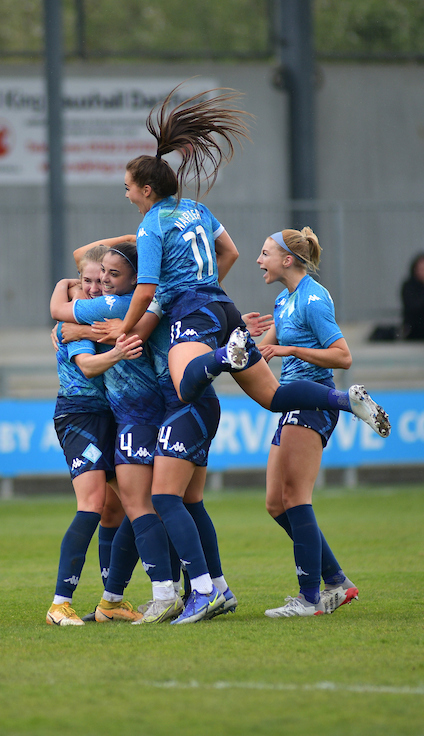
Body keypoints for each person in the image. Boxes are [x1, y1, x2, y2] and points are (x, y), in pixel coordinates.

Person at [101, 85, 390, 625]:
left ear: (145, 188)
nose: (126, 195)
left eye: (127, 188)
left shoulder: (152, 223)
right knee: (273, 395)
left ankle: (225, 356)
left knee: (187, 382)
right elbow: (228, 251)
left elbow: (145, 291)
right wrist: (208, 288)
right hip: (222, 304)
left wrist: (132, 327)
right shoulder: (196, 209)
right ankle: (342, 402)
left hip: (195, 312)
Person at [53, 240, 228, 625]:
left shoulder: (122, 304)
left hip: (139, 416)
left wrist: (74, 321)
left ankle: (164, 593)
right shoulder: (152, 301)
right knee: (168, 504)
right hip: (158, 411)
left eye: (110, 277)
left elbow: (64, 300)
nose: (99, 285)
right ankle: (202, 587)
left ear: (136, 276)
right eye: (93, 281)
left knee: (140, 506)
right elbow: (86, 262)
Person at [244, 229, 361, 617]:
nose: (259, 260)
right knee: (276, 504)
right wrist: (237, 340)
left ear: (287, 260)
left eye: (265, 254)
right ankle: (336, 580)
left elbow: (342, 357)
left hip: (313, 403)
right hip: (291, 402)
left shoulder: (313, 298)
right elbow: (265, 350)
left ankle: (311, 598)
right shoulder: (283, 300)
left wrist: (290, 349)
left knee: (296, 497)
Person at [45, 247, 144, 626]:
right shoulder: (72, 328)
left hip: (108, 416)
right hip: (78, 415)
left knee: (131, 507)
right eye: (83, 281)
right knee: (92, 503)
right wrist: (117, 351)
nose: (91, 287)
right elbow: (86, 368)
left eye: (97, 279)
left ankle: (111, 600)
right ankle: (59, 603)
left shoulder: (102, 314)